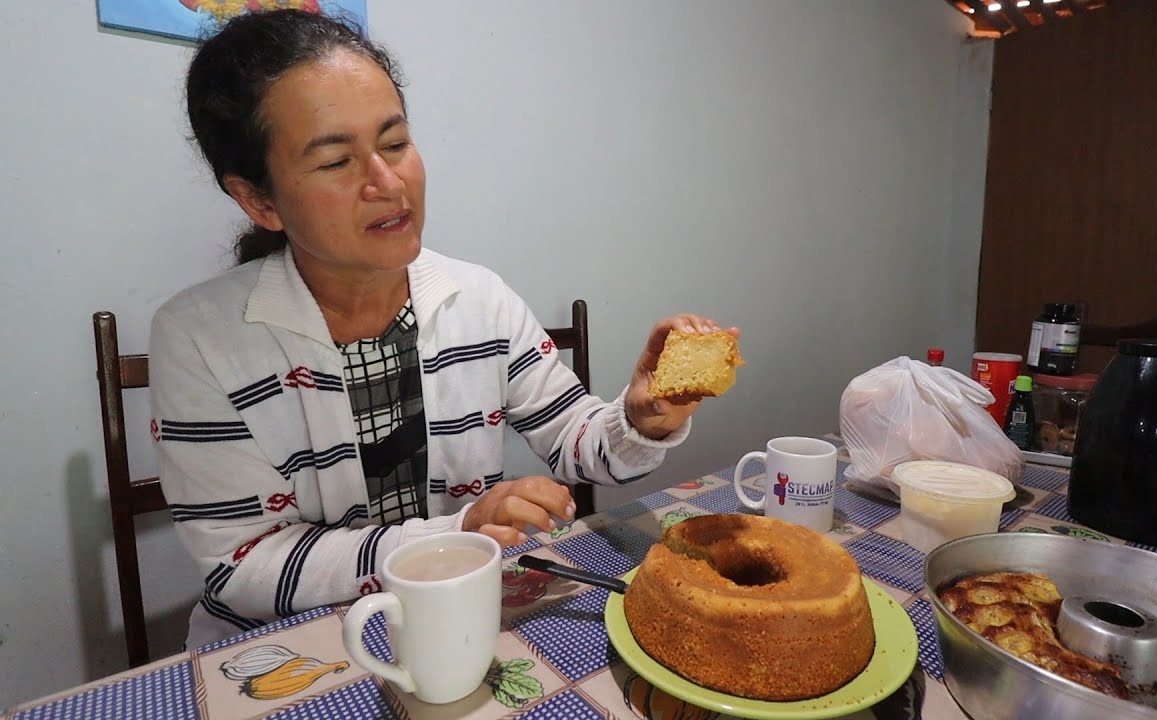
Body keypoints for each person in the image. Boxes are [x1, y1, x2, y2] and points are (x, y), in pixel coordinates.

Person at [153, 8, 737, 646]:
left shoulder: (477, 299)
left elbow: (580, 443)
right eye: (336, 161)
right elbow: (243, 568)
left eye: (395, 144)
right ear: (259, 199)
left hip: (460, 622)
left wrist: (644, 417)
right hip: (287, 648)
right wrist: (457, 531)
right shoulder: (200, 337)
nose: (387, 182)